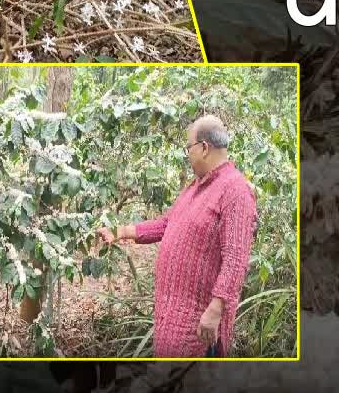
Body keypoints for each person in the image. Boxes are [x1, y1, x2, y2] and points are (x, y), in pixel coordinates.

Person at [97, 115, 258, 357]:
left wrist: (216, 309)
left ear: (204, 148)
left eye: (188, 148)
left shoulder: (235, 191)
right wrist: (120, 232)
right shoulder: (194, 188)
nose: (187, 155)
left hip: (198, 332)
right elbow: (166, 224)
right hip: (171, 321)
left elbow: (236, 259)